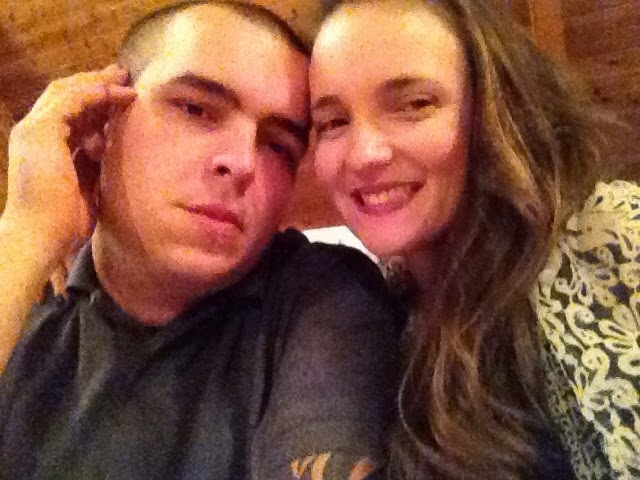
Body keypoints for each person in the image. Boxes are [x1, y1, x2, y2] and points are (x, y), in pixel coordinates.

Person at [0, 2, 401, 479]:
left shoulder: (322, 295)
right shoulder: (24, 320)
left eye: (278, 145)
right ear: (100, 121)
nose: (243, 162)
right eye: (195, 109)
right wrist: (27, 232)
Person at [310, 0, 640, 479]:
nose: (363, 155)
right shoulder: (377, 317)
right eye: (333, 122)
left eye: (414, 104)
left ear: (492, 108)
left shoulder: (614, 238)